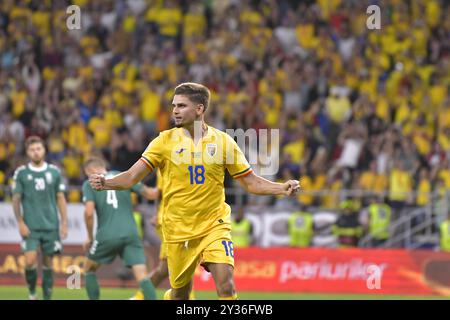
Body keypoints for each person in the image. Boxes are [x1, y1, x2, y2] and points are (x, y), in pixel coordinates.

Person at [89, 82, 300, 300]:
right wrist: (107, 183)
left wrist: (281, 188)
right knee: (180, 294)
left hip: (213, 225)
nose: (175, 111)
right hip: (178, 230)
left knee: (226, 286)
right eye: (174, 105)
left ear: (199, 109)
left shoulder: (224, 142)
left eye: (182, 106)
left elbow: (250, 182)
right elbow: (133, 176)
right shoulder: (164, 142)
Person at [82, 157, 159, 300]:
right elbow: (150, 194)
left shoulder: (89, 183)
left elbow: (88, 213)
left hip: (107, 234)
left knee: (88, 269)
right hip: (131, 233)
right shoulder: (122, 176)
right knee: (142, 276)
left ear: (90, 171)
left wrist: (90, 237)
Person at [12, 136, 68, 300]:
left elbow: (60, 198)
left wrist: (64, 223)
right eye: (32, 149)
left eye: (38, 149)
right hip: (30, 227)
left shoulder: (54, 171)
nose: (35, 152)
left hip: (51, 226)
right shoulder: (22, 173)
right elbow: (16, 200)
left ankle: (47, 297)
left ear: (44, 150)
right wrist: (20, 222)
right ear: (27, 152)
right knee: (30, 261)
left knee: (48, 263)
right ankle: (32, 293)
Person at [130, 169, 195, 300]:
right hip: (172, 223)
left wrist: (159, 213)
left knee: (166, 269)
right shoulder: (168, 166)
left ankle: (140, 296)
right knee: (178, 263)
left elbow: (161, 195)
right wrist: (160, 214)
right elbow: (161, 194)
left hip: (176, 221)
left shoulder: (173, 165)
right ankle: (187, 297)